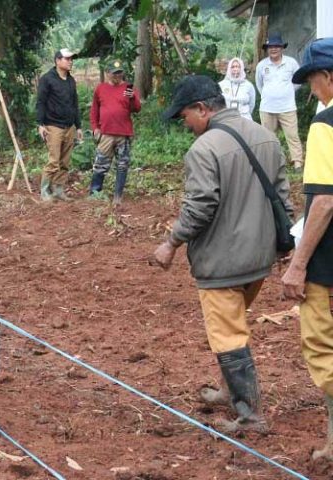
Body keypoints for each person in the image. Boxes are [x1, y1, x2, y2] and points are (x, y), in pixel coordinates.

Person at [152, 75, 293, 433]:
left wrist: (171, 242)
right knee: (235, 325)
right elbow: (283, 196)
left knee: (228, 335)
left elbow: (200, 207)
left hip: (222, 263)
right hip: (260, 259)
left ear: (203, 108)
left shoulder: (204, 149)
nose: (185, 125)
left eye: (185, 116)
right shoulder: (266, 136)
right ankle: (230, 391)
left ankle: (249, 415)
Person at [281, 37, 333, 461]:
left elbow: (325, 201)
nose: (312, 90)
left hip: (327, 260)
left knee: (322, 347)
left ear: (328, 77)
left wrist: (298, 265)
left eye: (313, 81)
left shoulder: (324, 125)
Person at [88, 59, 142, 207]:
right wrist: (95, 128)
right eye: (114, 73)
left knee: (122, 164)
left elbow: (136, 109)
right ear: (107, 74)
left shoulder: (128, 89)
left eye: (119, 73)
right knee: (100, 164)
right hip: (106, 133)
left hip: (123, 133)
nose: (117, 76)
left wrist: (132, 98)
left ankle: (117, 196)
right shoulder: (100, 89)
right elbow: (94, 111)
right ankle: (94, 193)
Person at [36, 48, 84, 202]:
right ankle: (44, 191)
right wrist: (40, 124)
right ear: (57, 60)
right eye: (67, 59)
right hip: (53, 126)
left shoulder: (71, 80)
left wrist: (79, 126)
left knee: (64, 162)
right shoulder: (47, 79)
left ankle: (58, 189)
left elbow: (74, 104)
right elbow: (41, 102)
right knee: (54, 160)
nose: (70, 61)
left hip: (69, 126)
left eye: (71, 59)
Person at [256, 33, 304, 170]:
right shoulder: (261, 65)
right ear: (267, 49)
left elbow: (298, 81)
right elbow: (260, 85)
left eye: (277, 46)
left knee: (292, 135)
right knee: (268, 138)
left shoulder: (291, 63)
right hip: (267, 108)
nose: (274, 49)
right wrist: (269, 94)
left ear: (282, 48)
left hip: (287, 107)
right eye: (271, 46)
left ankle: (297, 162)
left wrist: (287, 92)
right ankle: (272, 163)